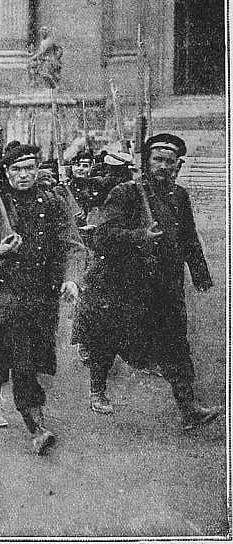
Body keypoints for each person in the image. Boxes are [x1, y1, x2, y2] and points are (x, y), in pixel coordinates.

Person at [72, 133, 222, 431]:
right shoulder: (126, 192)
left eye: (170, 162)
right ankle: (97, 390)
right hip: (125, 283)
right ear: (146, 162)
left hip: (166, 284)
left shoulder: (179, 196)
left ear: (178, 165)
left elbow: (188, 237)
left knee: (176, 344)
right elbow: (102, 237)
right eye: (158, 160)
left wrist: (200, 272)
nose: (164, 167)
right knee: (109, 339)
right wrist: (140, 237)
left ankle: (189, 408)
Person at [0, 141, 86, 454]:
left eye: (29, 168)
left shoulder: (55, 202)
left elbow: (73, 244)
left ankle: (11, 415)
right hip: (2, 298)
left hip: (40, 298)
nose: (23, 175)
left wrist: (72, 278)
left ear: (38, 169)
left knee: (22, 362)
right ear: (5, 172)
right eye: (16, 169)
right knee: (5, 365)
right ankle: (18, 418)